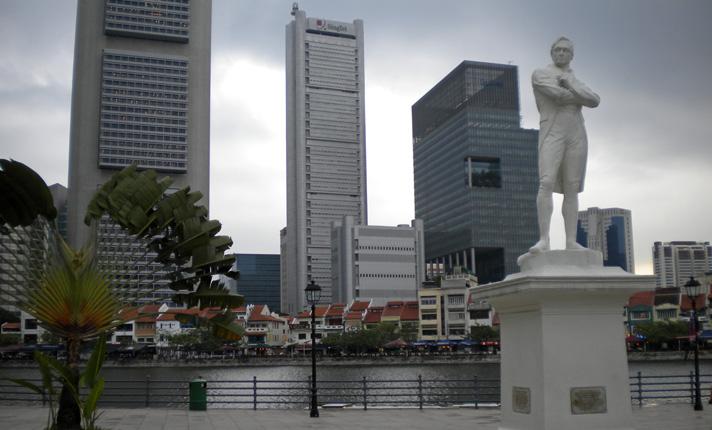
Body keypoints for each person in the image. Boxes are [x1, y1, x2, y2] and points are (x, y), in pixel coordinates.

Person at [529, 36, 600, 253]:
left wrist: (570, 85)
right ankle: (544, 239)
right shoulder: (540, 74)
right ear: (552, 53)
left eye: (565, 50)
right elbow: (557, 96)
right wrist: (577, 96)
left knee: (572, 187)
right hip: (553, 131)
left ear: (571, 55)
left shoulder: (573, 79)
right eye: (557, 50)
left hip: (576, 133)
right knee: (547, 182)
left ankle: (571, 241)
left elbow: (594, 100)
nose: (561, 53)